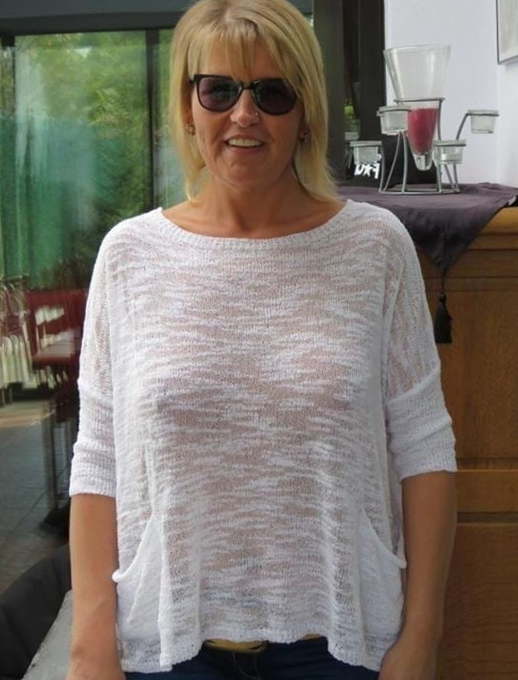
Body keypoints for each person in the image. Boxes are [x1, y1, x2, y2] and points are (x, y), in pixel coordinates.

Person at [65, 1, 458, 679]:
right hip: (169, 645)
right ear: (188, 107)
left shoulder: (375, 248)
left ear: (306, 114)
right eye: (219, 90)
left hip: (338, 645)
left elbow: (424, 446)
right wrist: (89, 641)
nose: (244, 115)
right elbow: (99, 455)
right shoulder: (129, 256)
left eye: (272, 93)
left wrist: (423, 634)